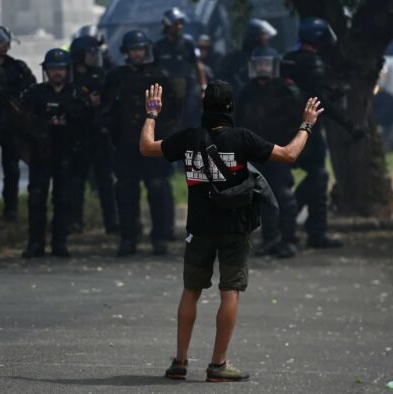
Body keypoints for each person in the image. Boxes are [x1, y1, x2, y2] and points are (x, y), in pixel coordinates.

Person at [138, 81, 323, 381]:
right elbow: (289, 155)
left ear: (204, 106)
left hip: (198, 228)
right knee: (230, 290)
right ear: (230, 108)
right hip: (234, 228)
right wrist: (307, 124)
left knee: (191, 291)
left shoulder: (188, 138)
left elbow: (146, 147)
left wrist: (151, 114)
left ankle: (180, 362)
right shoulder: (243, 139)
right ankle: (218, 365)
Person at [282, 17, 361, 248]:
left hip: (285, 129)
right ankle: (314, 230)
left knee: (284, 180)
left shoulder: (289, 59)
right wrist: (349, 125)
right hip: (307, 129)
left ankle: (285, 224)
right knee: (319, 175)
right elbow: (319, 99)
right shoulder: (312, 62)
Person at [101, 30, 174, 256]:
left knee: (157, 188)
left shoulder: (158, 75)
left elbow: (173, 110)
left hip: (153, 142)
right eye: (134, 50)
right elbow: (106, 108)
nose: (138, 54)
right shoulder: (115, 76)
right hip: (126, 144)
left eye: (141, 49)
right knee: (125, 191)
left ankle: (159, 238)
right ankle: (129, 237)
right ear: (126, 52)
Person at [20, 48, 90, 258]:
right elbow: (23, 121)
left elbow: (87, 124)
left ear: (66, 70)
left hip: (67, 153)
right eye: (53, 69)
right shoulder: (35, 93)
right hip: (41, 154)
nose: (57, 73)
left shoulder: (77, 93)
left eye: (60, 69)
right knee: (36, 198)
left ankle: (60, 242)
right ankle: (35, 243)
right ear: (47, 70)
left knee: (63, 200)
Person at [235, 46, 304, 258]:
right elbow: (238, 120)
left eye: (267, 63)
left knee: (284, 195)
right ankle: (269, 240)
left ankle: (289, 239)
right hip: (256, 152)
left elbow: (298, 121)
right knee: (262, 197)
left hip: (279, 150)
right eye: (259, 64)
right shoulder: (247, 91)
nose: (263, 68)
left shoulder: (286, 89)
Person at [0, 26, 36, 222]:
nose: (5, 46)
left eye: (6, 42)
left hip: (11, 126)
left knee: (11, 168)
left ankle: (11, 208)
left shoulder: (17, 68)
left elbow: (31, 90)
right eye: (0, 42)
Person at [67, 35, 119, 235]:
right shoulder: (70, 77)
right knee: (77, 181)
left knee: (106, 181)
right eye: (90, 52)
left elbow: (110, 102)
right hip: (77, 136)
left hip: (99, 135)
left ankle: (111, 222)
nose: (94, 56)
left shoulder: (100, 74)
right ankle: (75, 221)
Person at [219, 18, 277, 92]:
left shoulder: (269, 55)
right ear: (255, 36)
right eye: (263, 34)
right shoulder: (236, 58)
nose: (266, 37)